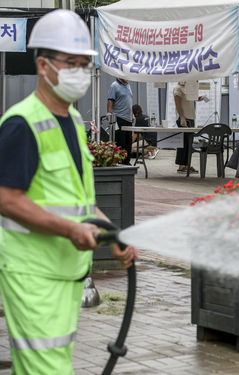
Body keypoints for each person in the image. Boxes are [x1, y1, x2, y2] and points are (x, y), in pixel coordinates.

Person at [0, 10, 137, 375]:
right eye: (71, 63)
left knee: (41, 367)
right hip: (34, 274)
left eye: (84, 64)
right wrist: (70, 230)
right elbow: (6, 199)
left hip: (65, 273)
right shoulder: (22, 123)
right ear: (43, 66)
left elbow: (80, 200)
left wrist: (112, 234)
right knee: (47, 369)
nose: (80, 72)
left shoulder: (74, 121)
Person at [174, 82, 203, 173]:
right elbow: (178, 104)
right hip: (183, 118)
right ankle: (181, 165)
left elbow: (191, 99)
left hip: (191, 117)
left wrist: (198, 98)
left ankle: (188, 164)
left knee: (189, 142)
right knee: (183, 142)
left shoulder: (188, 88)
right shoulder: (177, 88)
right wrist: (182, 118)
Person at [107, 77, 134, 165]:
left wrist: (132, 114)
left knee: (128, 142)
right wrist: (108, 112)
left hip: (128, 118)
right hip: (119, 118)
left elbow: (129, 101)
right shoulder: (114, 86)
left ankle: (127, 161)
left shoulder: (128, 85)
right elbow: (110, 100)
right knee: (120, 141)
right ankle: (120, 162)